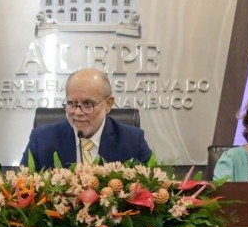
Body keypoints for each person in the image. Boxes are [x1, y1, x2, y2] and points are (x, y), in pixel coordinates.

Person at [21, 68, 152, 169]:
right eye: (72, 103)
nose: (78, 112)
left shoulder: (133, 141)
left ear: (108, 104)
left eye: (88, 104)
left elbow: (153, 192)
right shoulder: (41, 139)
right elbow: (21, 191)